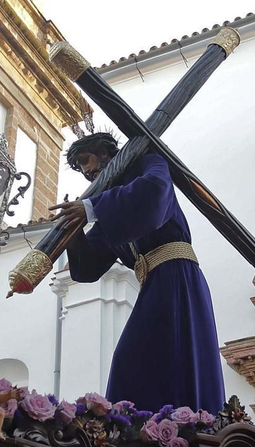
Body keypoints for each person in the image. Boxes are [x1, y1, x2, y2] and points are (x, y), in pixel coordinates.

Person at [50, 132, 225, 413]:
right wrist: (72, 232)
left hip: (177, 276)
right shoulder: (109, 210)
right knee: (133, 364)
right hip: (154, 284)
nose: (88, 173)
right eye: (83, 172)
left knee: (140, 359)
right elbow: (88, 266)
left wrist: (91, 208)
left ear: (107, 153)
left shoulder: (148, 163)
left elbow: (154, 192)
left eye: (88, 163)